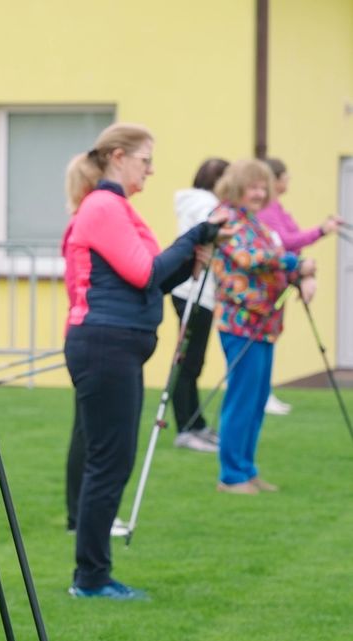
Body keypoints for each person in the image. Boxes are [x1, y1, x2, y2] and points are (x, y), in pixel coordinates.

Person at [60, 123, 223, 600]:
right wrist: (196, 233)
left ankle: (93, 574)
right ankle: (90, 578)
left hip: (117, 345)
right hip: (105, 344)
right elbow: (145, 270)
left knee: (113, 459)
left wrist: (189, 259)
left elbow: (153, 280)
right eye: (145, 159)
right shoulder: (105, 206)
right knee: (109, 462)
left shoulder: (117, 208)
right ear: (117, 156)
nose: (151, 169)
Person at [211, 159, 316, 494]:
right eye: (252, 186)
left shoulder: (252, 220)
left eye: (262, 187)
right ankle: (230, 475)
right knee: (242, 399)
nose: (258, 193)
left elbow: (266, 253)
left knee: (256, 400)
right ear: (237, 186)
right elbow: (249, 258)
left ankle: (247, 468)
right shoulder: (225, 218)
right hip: (240, 323)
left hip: (265, 321)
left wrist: (296, 271)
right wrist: (292, 261)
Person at [255, 157, 339, 416]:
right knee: (261, 340)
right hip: (265, 287)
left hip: (283, 280)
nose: (289, 180)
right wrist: (322, 231)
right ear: (275, 179)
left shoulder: (277, 207)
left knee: (271, 337)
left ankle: (265, 393)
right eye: (286, 176)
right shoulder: (267, 209)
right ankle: (262, 395)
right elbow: (287, 242)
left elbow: (293, 238)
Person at [169, 158, 230, 452]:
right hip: (191, 292)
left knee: (194, 362)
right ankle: (185, 429)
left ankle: (197, 424)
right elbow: (218, 226)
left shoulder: (202, 201)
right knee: (187, 361)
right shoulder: (203, 202)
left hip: (200, 293)